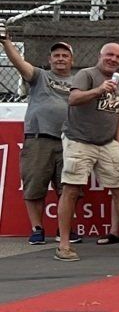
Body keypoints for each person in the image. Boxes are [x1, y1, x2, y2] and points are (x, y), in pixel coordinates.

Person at [55, 42, 119, 260]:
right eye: (110, 55)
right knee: (71, 190)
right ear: (100, 55)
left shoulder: (116, 82)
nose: (113, 59)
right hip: (79, 140)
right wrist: (98, 90)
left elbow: (117, 109)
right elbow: (73, 99)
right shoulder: (87, 74)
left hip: (106, 143)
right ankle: (63, 245)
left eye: (118, 57)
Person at [2, 22, 73, 245]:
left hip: (69, 141)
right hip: (38, 138)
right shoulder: (40, 76)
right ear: (50, 60)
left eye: (65, 55)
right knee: (34, 187)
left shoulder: (80, 81)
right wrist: (6, 42)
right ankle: (37, 228)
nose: (60, 58)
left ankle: (65, 231)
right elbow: (19, 63)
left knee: (68, 189)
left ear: (72, 60)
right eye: (56, 55)